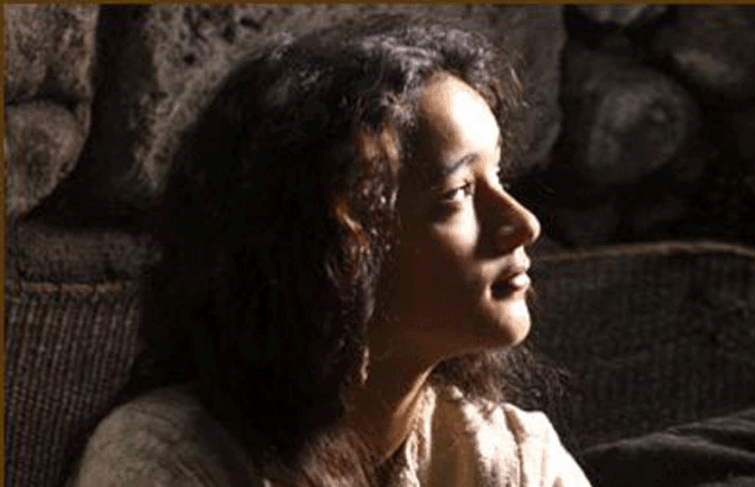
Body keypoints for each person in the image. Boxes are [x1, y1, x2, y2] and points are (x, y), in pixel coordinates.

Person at [66, 15, 592, 487]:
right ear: (336, 245)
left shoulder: (505, 457)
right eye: (457, 194)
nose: (523, 223)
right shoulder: (165, 463)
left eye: (498, 174)